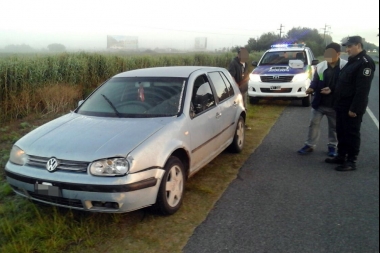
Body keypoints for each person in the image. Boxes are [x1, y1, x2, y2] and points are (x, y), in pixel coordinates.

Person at [325, 36, 375, 171]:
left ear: (358, 45)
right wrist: (332, 89)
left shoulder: (365, 63)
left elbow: (362, 89)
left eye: (349, 46)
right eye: (346, 47)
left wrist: (355, 108)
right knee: (341, 131)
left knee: (351, 133)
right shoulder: (352, 61)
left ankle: (351, 161)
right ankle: (341, 156)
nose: (347, 50)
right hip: (341, 104)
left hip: (351, 106)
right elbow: (343, 82)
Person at [298, 43, 347, 157]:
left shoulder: (345, 67)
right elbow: (316, 80)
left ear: (338, 54)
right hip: (319, 103)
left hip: (335, 105)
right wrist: (311, 88)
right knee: (313, 124)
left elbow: (345, 85)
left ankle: (332, 146)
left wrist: (332, 90)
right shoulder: (320, 66)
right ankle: (309, 145)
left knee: (334, 127)